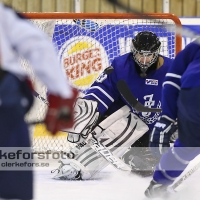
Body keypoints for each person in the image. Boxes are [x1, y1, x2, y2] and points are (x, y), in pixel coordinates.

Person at [52, 31, 177, 180]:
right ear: (133, 51)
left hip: (153, 128)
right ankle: (79, 163)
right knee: (119, 123)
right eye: (140, 55)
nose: (144, 60)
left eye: (148, 55)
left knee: (145, 166)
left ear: (156, 53)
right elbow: (102, 90)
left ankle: (131, 155)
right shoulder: (121, 66)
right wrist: (88, 112)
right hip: (124, 121)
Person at [0, 3, 78, 200]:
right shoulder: (4, 15)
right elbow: (38, 45)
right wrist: (61, 93)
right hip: (6, 100)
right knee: (13, 188)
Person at [144, 40, 200, 198]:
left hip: (192, 95)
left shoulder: (195, 45)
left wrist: (167, 117)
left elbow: (172, 79)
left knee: (186, 147)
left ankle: (158, 186)